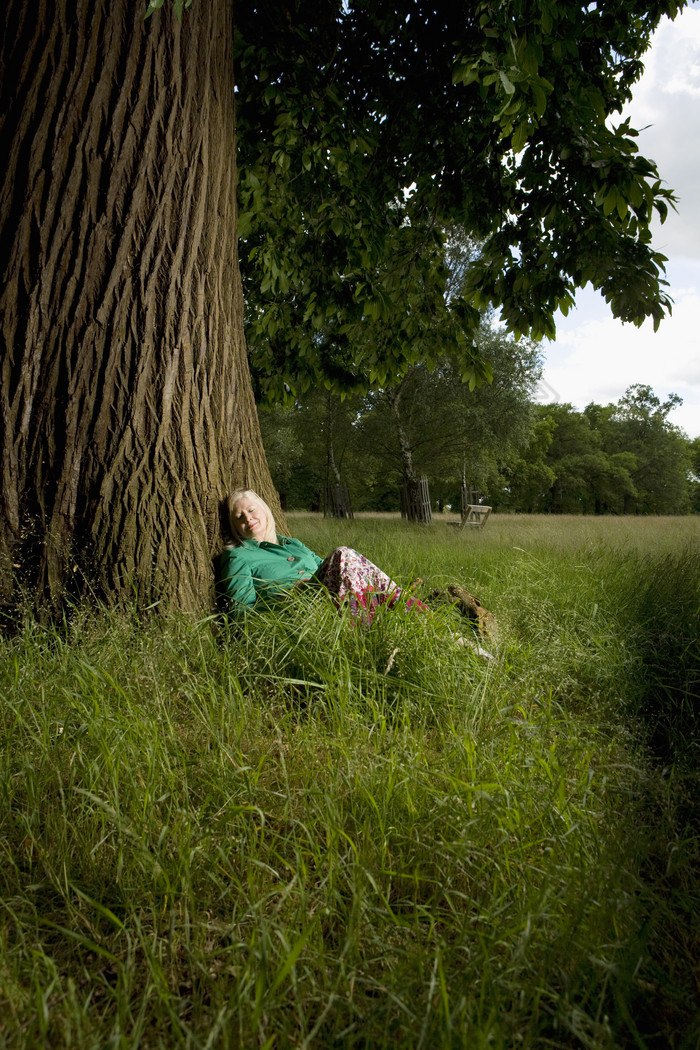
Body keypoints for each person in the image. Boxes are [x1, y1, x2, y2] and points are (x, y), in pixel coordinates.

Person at [215, 488, 494, 657]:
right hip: (296, 610)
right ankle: (371, 642)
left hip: (333, 601)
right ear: (234, 525)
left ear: (264, 511)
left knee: (354, 564)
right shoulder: (238, 556)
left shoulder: (294, 545)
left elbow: (331, 568)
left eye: (251, 510)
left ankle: (448, 639)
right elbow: (240, 615)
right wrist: (288, 597)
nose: (247, 518)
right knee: (345, 555)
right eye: (238, 517)